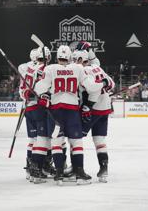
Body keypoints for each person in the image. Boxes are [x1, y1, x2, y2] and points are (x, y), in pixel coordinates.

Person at [34, 45, 107, 185]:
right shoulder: (78, 68)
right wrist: (103, 82)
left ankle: (59, 174)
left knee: (56, 142)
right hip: (72, 112)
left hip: (55, 112)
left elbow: (39, 89)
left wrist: (40, 84)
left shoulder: (50, 69)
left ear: (57, 57)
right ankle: (79, 175)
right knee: (76, 142)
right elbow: (91, 87)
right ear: (69, 57)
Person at [79, 45, 115, 183]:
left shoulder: (85, 70)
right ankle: (104, 168)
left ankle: (76, 167)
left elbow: (92, 89)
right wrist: (104, 84)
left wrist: (88, 106)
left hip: (93, 109)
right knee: (99, 139)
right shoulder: (98, 68)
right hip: (105, 107)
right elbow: (111, 84)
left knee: (76, 137)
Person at [18, 47, 52, 184]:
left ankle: (30, 169)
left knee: (33, 139)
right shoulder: (43, 69)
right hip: (39, 108)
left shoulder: (26, 68)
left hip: (28, 108)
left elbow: (22, 91)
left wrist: (26, 94)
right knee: (43, 139)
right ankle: (37, 169)